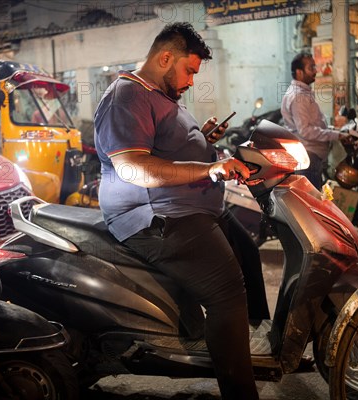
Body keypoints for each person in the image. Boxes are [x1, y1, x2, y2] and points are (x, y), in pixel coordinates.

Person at [94, 22, 267, 399]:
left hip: (191, 204)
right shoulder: (127, 96)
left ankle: (248, 345)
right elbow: (133, 166)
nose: (191, 80)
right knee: (227, 294)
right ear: (165, 57)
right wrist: (210, 168)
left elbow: (166, 147)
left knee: (249, 254)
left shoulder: (160, 95)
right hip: (157, 215)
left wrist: (201, 140)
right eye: (189, 70)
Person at [281, 52, 349, 189]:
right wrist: (337, 135)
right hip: (308, 158)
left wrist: (335, 131)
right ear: (299, 72)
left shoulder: (301, 93)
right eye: (311, 67)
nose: (316, 71)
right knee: (310, 205)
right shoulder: (298, 96)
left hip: (309, 157)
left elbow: (314, 124)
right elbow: (306, 131)